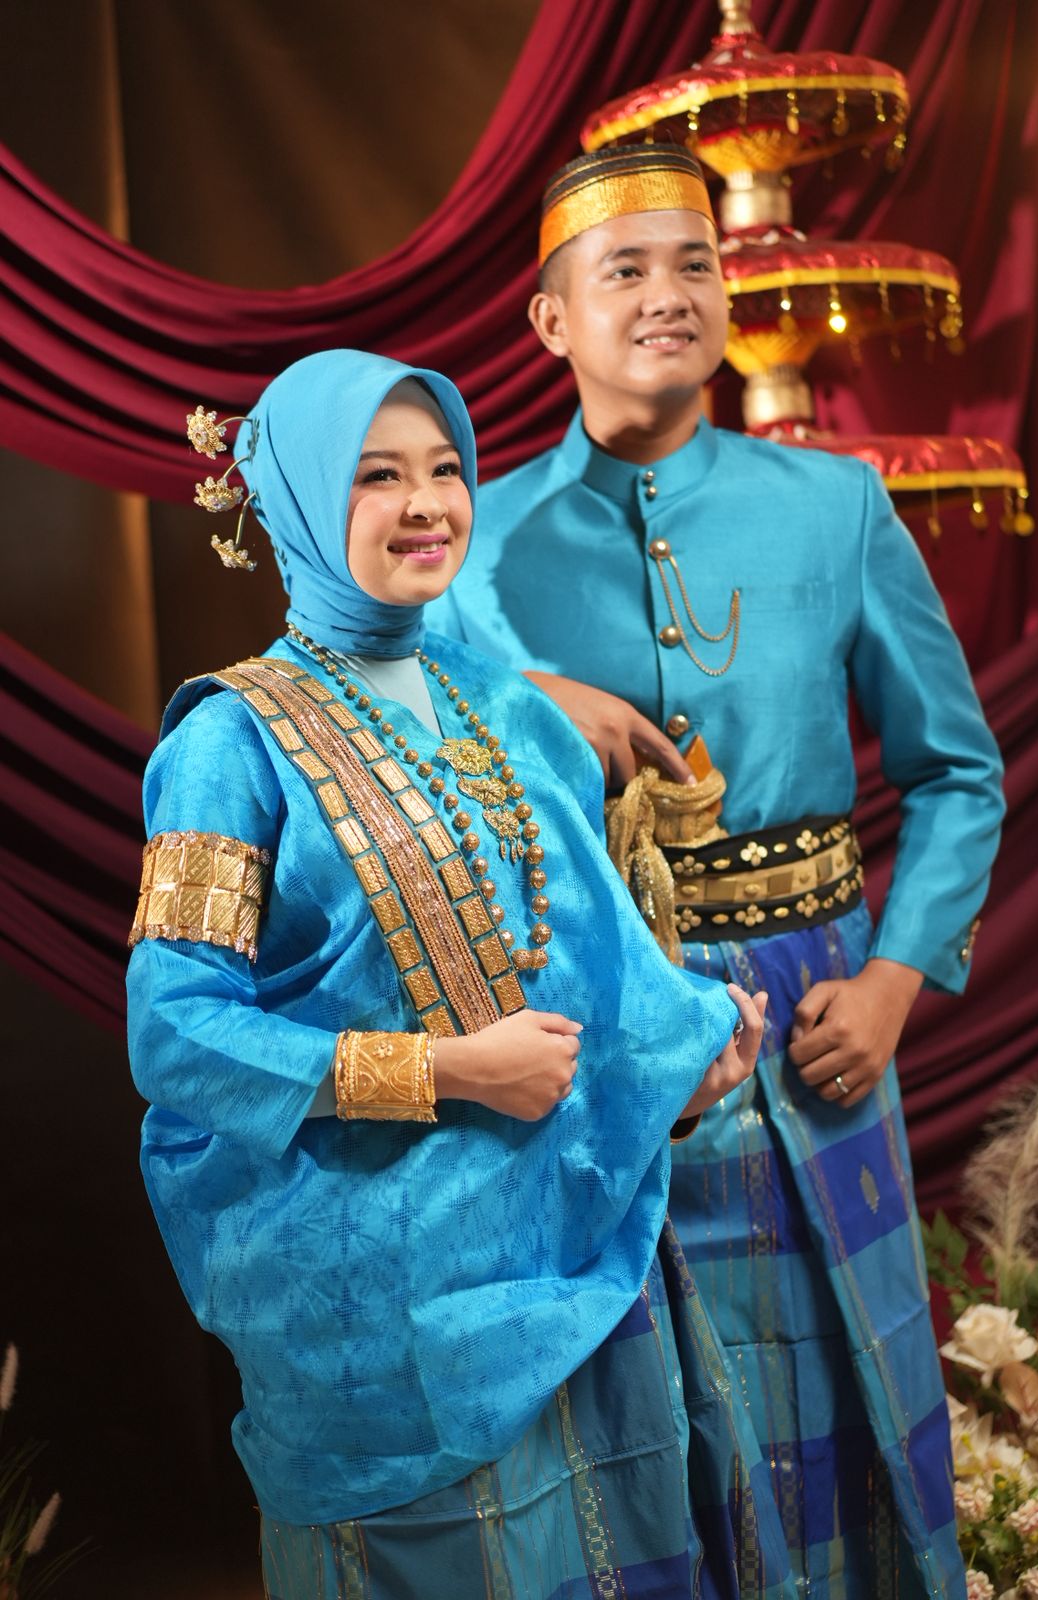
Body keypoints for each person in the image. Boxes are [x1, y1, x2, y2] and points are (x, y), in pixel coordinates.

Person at [126, 348, 797, 1600]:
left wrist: (679, 1076)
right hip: (384, 1315)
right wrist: (442, 1070)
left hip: (579, 1252)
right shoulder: (228, 744)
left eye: (445, 469)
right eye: (377, 476)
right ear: (296, 499)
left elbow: (596, 972)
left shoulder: (511, 706)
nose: (427, 503)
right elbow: (175, 1031)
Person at [430, 143, 1003, 1599]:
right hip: (593, 1034)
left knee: (845, 1407)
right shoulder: (468, 552)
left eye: (694, 263)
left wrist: (890, 985)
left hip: (819, 1019)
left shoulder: (835, 505)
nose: (668, 294)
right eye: (624, 268)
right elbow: (388, 762)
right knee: (635, 1426)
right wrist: (520, 701)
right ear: (550, 319)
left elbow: (958, 774)